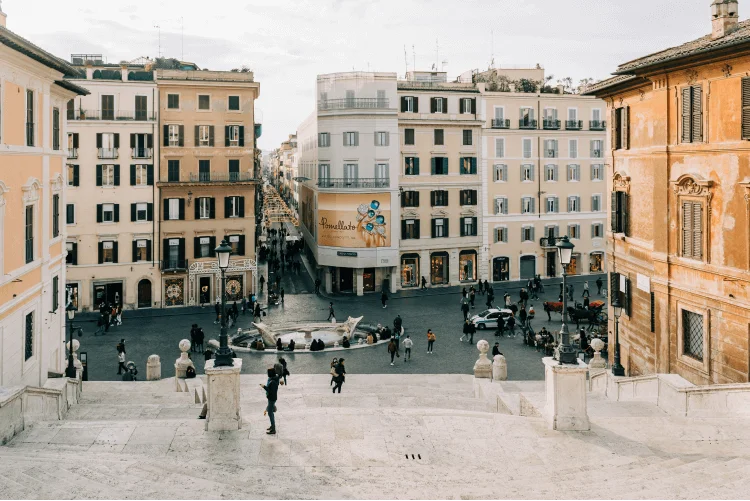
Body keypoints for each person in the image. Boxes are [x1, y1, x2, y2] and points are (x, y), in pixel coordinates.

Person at [261, 368, 280, 435]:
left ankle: (273, 429)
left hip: (272, 399)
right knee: (270, 412)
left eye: (268, 372)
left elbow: (270, 391)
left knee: (270, 413)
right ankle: (272, 426)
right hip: (272, 398)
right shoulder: (274, 379)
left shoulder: (273, 382)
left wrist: (264, 387)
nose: (267, 374)